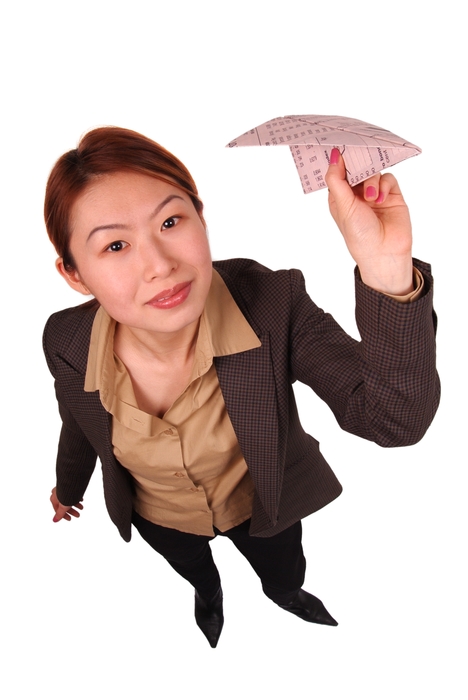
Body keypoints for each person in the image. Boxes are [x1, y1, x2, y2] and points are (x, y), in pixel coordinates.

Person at [43, 126, 439, 648]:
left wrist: (386, 268)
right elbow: (79, 425)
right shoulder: (66, 340)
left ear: (200, 218)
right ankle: (209, 597)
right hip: (161, 519)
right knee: (192, 569)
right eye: (115, 245)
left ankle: (287, 594)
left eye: (170, 220)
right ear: (74, 274)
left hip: (263, 511)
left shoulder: (273, 303)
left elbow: (396, 420)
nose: (160, 265)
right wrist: (67, 489)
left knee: (282, 569)